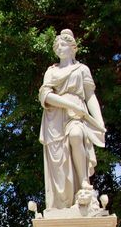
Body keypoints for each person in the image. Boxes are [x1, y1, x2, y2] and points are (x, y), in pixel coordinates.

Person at [39, 28, 106, 211]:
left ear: (73, 47)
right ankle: (63, 203)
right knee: (59, 168)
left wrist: (99, 121)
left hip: (76, 116)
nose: (59, 48)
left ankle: (84, 183)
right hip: (55, 119)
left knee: (77, 135)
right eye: (57, 45)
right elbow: (44, 96)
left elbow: (90, 96)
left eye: (63, 44)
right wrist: (69, 105)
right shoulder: (51, 72)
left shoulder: (82, 69)